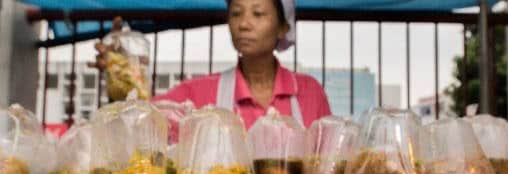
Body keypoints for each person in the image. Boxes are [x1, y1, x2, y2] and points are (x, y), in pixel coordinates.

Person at [94, 0, 331, 130]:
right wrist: (122, 72)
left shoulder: (308, 92)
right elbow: (139, 118)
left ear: (283, 27)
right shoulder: (198, 93)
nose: (244, 24)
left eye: (258, 13)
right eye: (236, 13)